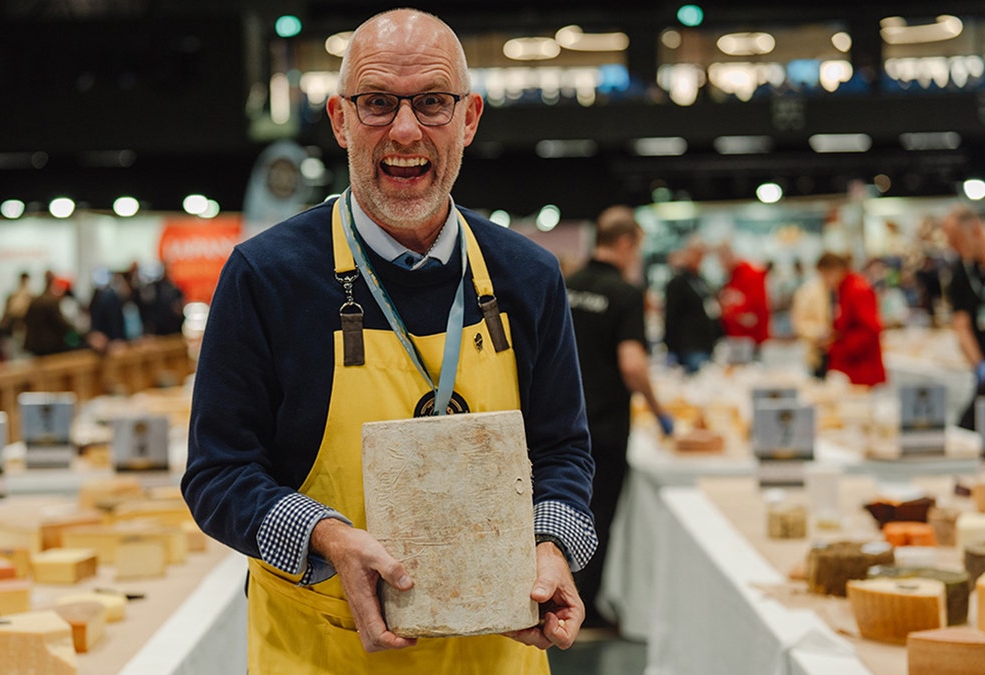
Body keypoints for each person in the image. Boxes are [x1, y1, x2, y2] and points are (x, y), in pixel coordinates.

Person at [182, 9, 595, 673]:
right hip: (321, 650)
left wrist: (552, 544)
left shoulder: (528, 275)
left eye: (433, 102)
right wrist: (328, 537)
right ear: (340, 120)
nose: (405, 130)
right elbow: (217, 472)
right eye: (376, 103)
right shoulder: (265, 276)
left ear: (470, 118)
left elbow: (561, 450)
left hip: (493, 655)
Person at [564, 206, 672, 629]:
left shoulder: (567, 284)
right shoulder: (625, 294)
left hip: (560, 424)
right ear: (626, 244)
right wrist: (659, 410)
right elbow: (632, 364)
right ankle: (585, 609)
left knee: (558, 509)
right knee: (599, 516)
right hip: (606, 426)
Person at [942, 206, 985, 428]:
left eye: (957, 240)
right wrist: (979, 365)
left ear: (976, 230)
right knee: (967, 427)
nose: (953, 248)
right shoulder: (961, 274)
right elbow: (961, 324)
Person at [816, 252, 886, 387]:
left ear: (833, 271)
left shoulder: (857, 289)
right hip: (853, 367)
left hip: (862, 369)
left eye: (823, 276)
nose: (823, 282)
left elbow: (871, 330)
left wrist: (839, 347)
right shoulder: (844, 288)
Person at [663, 238, 722, 373]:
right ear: (687, 253)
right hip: (688, 346)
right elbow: (671, 317)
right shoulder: (677, 283)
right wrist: (670, 347)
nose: (699, 258)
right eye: (696, 253)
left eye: (702, 254)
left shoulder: (702, 280)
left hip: (706, 344)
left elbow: (710, 309)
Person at [717, 244, 771, 345]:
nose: (720, 264)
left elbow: (755, 309)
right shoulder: (730, 276)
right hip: (735, 336)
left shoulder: (751, 274)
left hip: (752, 338)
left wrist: (733, 312)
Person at [791, 263, 832, 378]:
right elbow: (799, 323)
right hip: (818, 350)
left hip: (841, 351)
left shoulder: (842, 289)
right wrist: (819, 333)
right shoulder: (808, 292)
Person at [23, 273, 76, 357]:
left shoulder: (35, 300)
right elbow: (62, 324)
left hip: (34, 345)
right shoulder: (51, 302)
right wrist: (82, 333)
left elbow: (25, 319)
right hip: (48, 346)